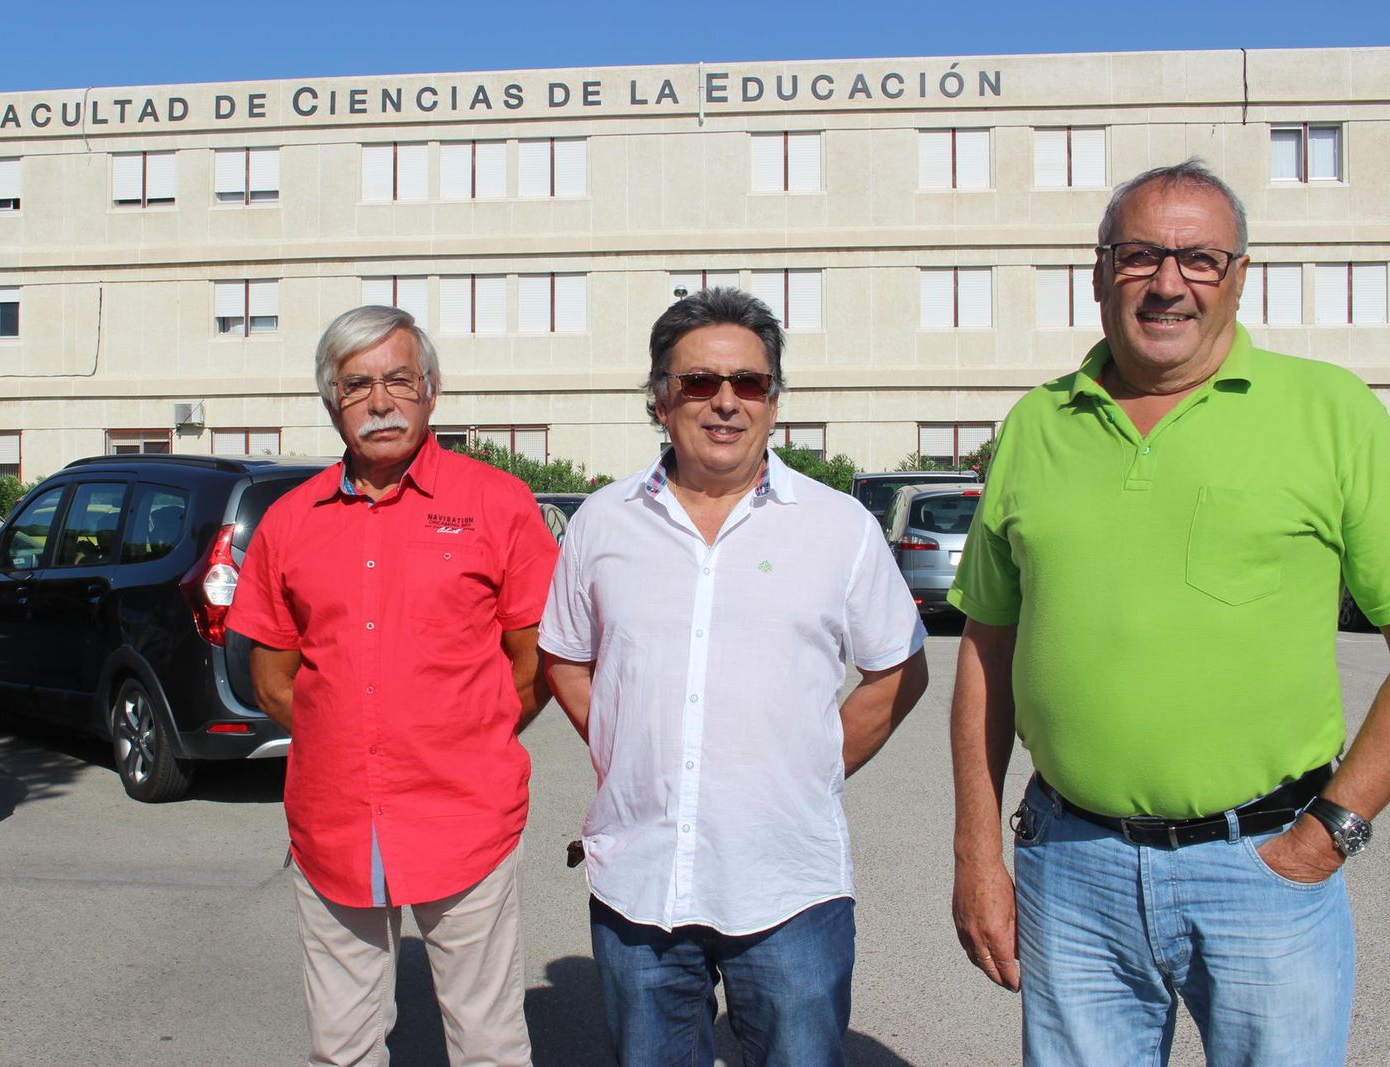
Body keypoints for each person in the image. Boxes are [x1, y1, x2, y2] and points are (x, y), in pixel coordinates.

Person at [949, 160, 1390, 1066]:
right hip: (1070, 868)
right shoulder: (1037, 424)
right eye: (1140, 254)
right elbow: (987, 651)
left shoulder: (1331, 412)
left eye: (1199, 258)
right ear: (1100, 269)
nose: (1167, 283)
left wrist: (1332, 829)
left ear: (1238, 276)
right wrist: (977, 851)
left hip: (1265, 864)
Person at [538, 287, 929, 1066]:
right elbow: (564, 656)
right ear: (659, 400)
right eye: (699, 383)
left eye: (748, 383)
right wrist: (629, 753)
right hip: (640, 885)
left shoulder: (837, 527)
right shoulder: (602, 523)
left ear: (774, 403)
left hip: (790, 887)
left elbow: (898, 670)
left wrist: (814, 762)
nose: (725, 402)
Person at [228, 304, 558, 1067]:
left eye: (398, 379)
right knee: (341, 1045)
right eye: (356, 386)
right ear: (332, 403)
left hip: (465, 816)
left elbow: (533, 661)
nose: (380, 402)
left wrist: (461, 735)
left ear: (431, 391)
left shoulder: (497, 504)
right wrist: (343, 732)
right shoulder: (288, 519)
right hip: (334, 821)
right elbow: (273, 673)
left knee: (487, 1042)